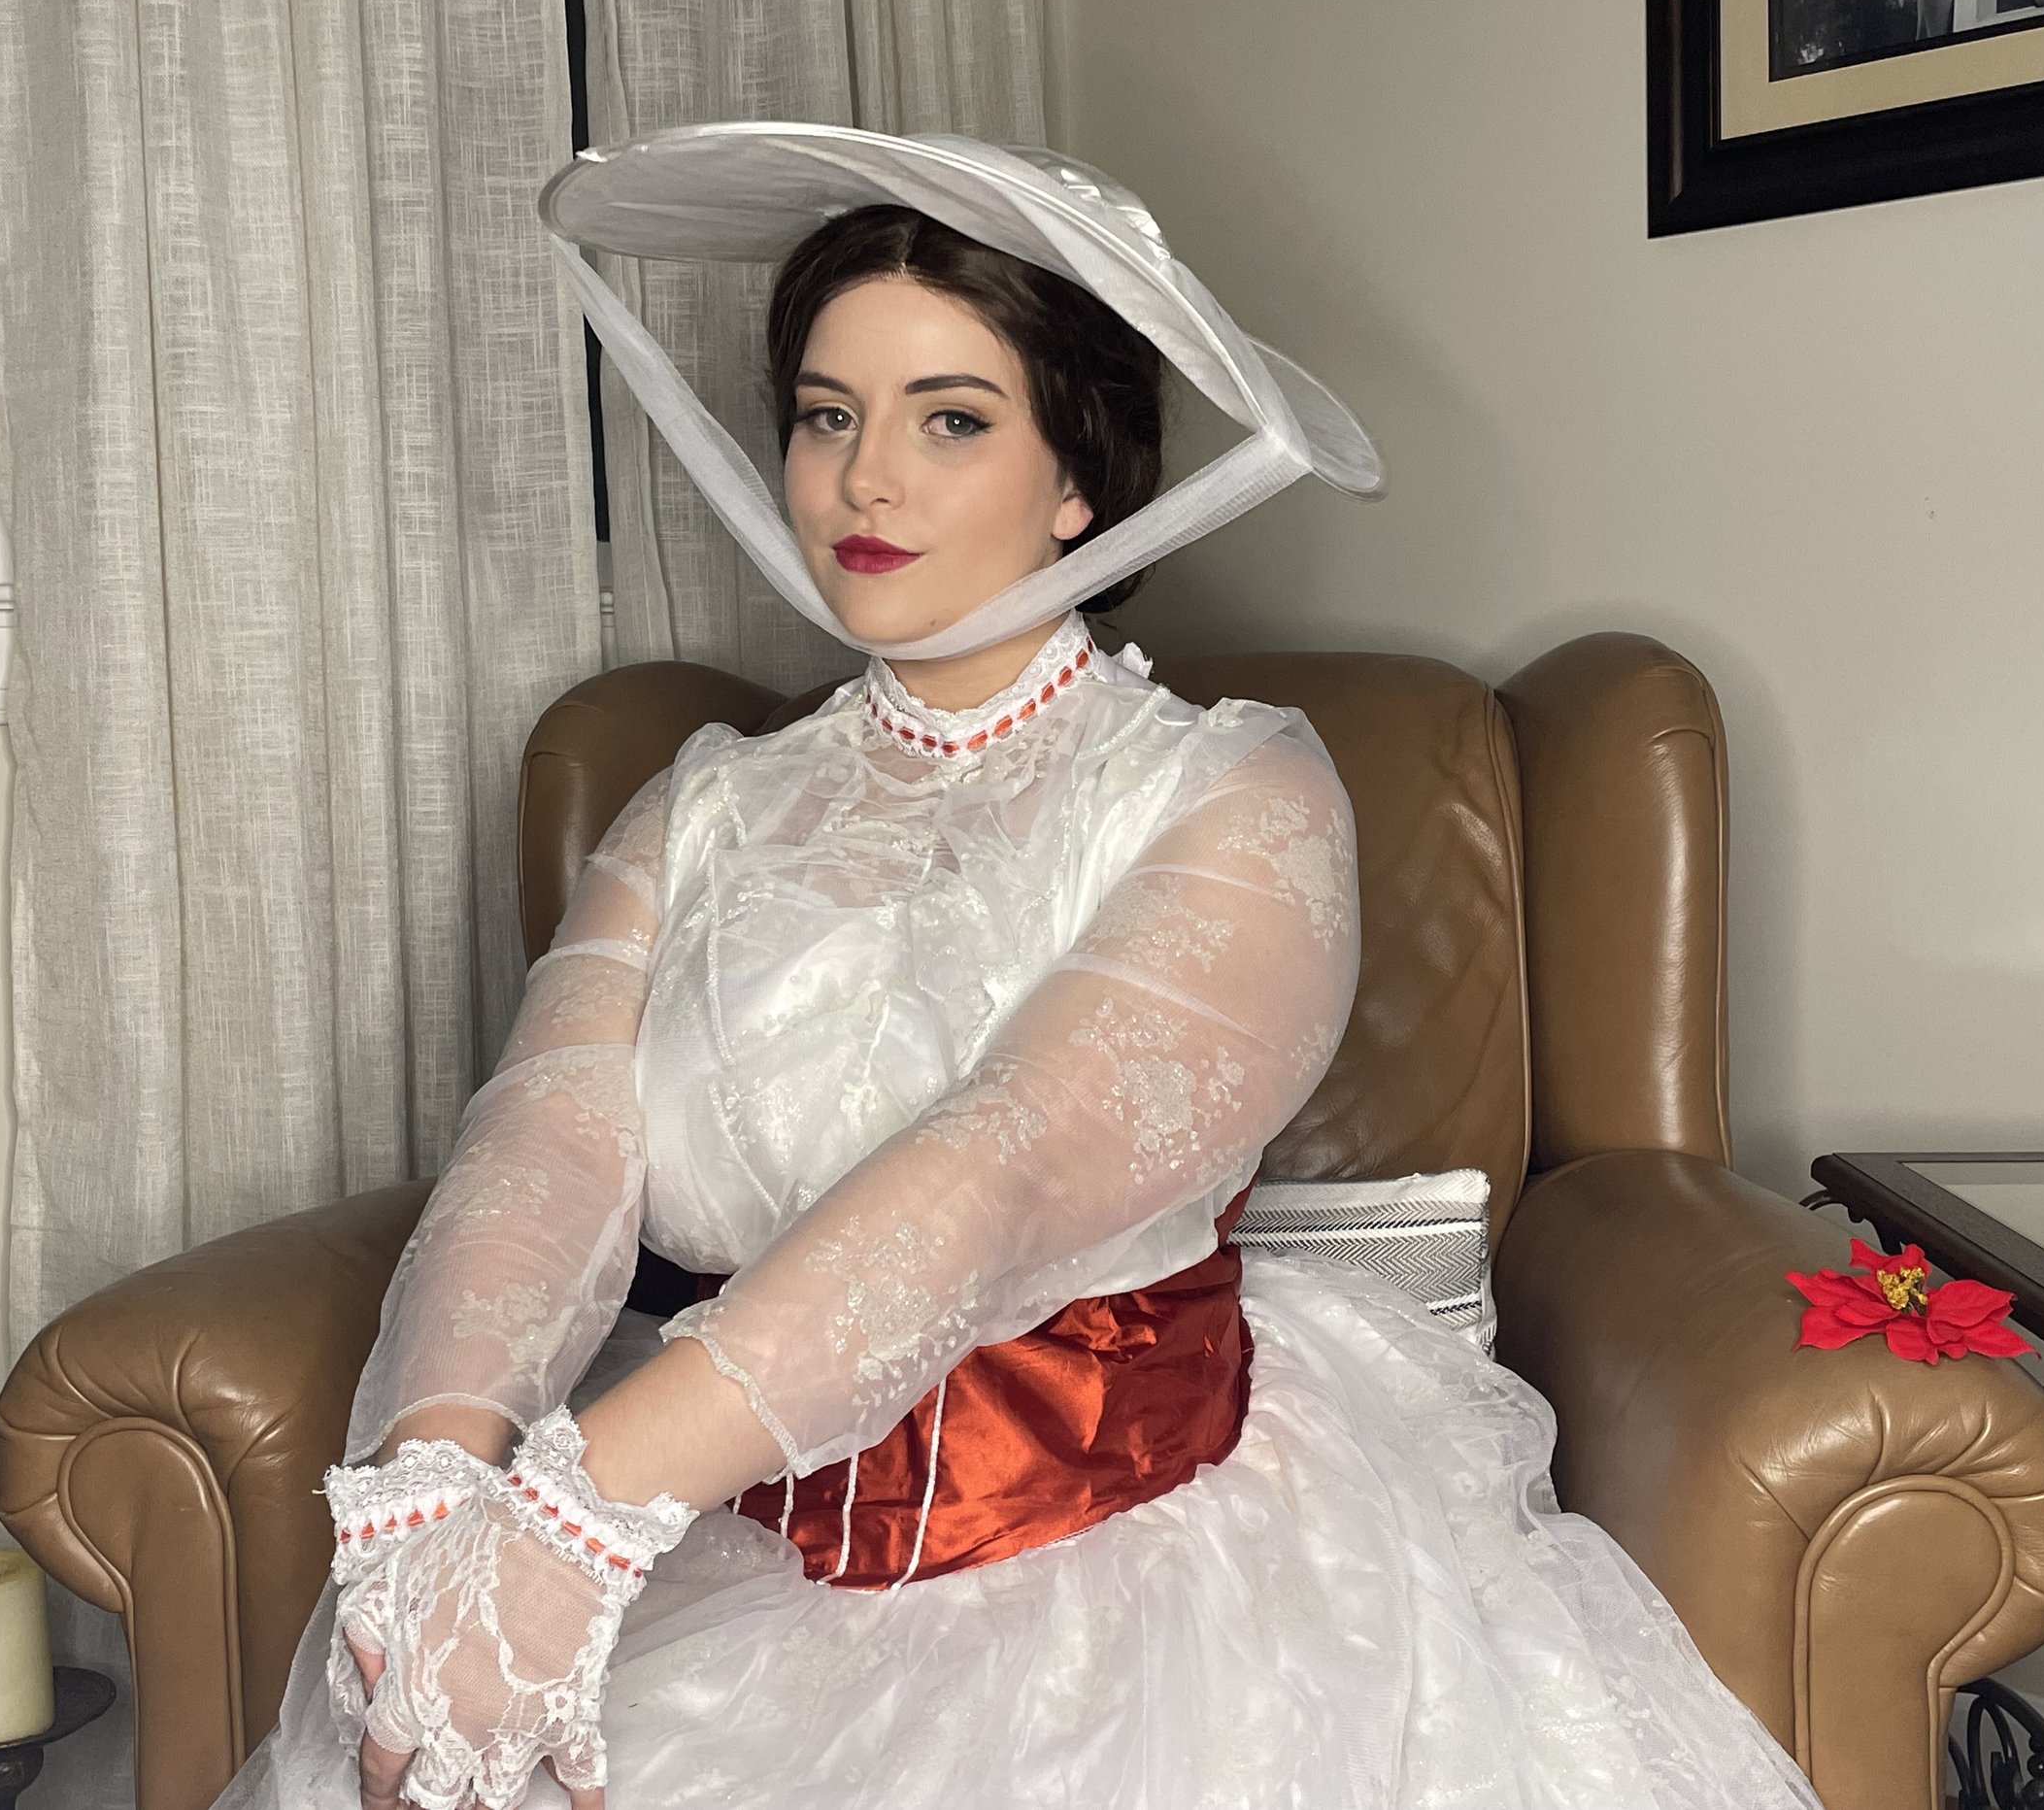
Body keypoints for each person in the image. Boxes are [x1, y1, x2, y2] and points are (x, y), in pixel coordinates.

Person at [215, 125, 1826, 1810]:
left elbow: (1010, 1159)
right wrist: (435, 1496)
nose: (865, 482)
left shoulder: (1230, 786)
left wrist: (575, 1516)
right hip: (732, 1529)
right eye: (827, 416)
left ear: (1079, 481)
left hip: (1132, 1571)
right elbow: (543, 1142)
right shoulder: (698, 802)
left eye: (952, 420)